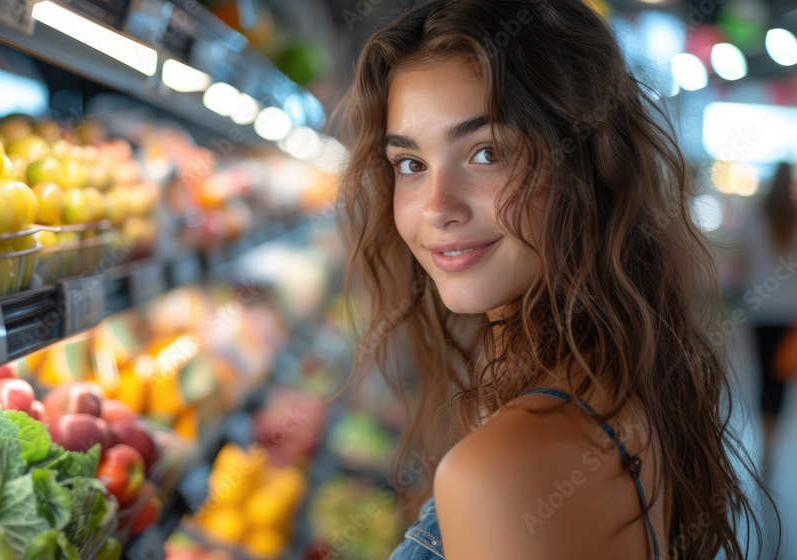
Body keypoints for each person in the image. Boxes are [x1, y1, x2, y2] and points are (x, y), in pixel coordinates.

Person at [331, 0, 779, 558]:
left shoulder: (502, 470)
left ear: (586, 166)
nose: (436, 209)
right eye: (411, 164)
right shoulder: (620, 378)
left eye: (487, 153)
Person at [740, 161, 797, 468]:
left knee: (763, 377)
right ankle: (773, 442)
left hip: (760, 310)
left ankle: (766, 439)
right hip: (790, 314)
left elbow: (744, 263)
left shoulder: (756, 219)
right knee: (782, 379)